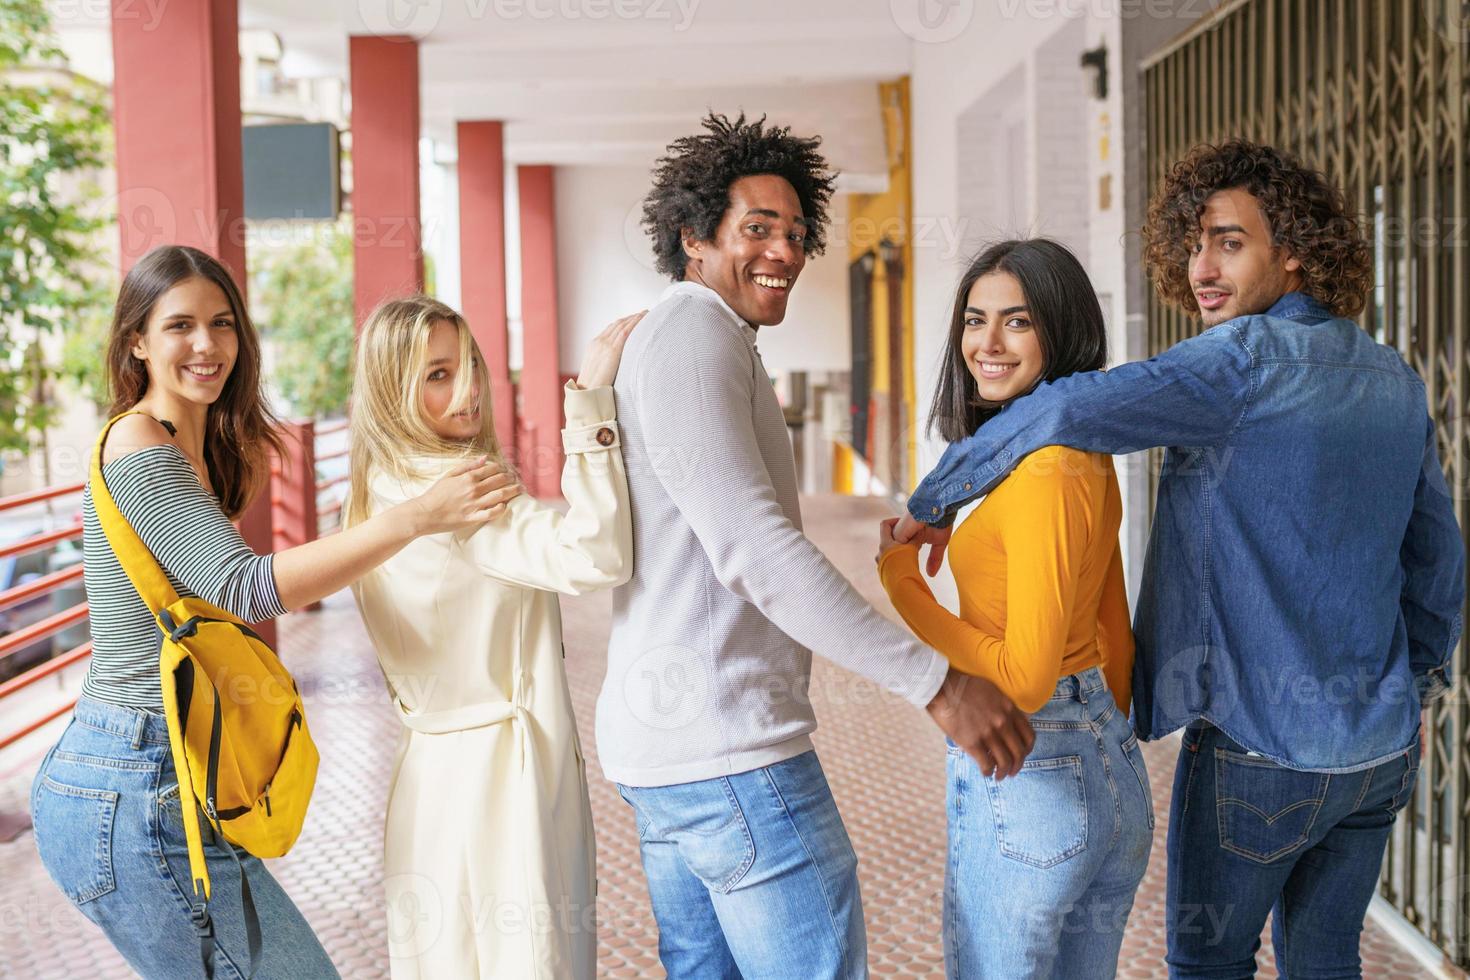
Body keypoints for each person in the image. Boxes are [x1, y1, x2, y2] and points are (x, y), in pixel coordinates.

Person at [895, 140, 1466, 977]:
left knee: (1210, 963)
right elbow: (1438, 562)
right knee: (1327, 956)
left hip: (1258, 746)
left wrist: (933, 498)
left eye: (1229, 242)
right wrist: (1416, 688)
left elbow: (1067, 406)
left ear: (1296, 250)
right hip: (1378, 753)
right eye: (1193, 243)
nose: (1202, 266)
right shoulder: (1393, 377)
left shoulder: (1240, 361)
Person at [599, 112, 1034, 980]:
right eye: (757, 229)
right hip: (730, 756)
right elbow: (754, 551)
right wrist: (937, 684)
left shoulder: (704, 338)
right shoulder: (692, 334)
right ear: (692, 236)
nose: (786, 252)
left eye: (797, 233)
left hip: (675, 752)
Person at [29, 245, 517, 979]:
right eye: (179, 326)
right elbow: (246, 589)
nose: (206, 345)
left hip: (175, 778)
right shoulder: (137, 443)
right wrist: (415, 516)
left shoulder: (201, 448)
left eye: (222, 324)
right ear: (136, 340)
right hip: (130, 787)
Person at [876, 238, 1150, 979]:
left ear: (1062, 331)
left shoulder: (1046, 472)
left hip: (1034, 767)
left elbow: (1023, 681)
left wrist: (900, 580)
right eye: (975, 319)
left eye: (1017, 323)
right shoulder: (1075, 450)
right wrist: (1102, 736)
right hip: (1103, 761)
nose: (986, 344)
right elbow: (1111, 628)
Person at [345, 296, 642, 979]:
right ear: (394, 393)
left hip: (427, 776)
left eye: (468, 365)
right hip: (499, 778)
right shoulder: (458, 490)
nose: (468, 390)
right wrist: (590, 406)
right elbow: (596, 555)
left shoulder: (375, 488)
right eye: (437, 375)